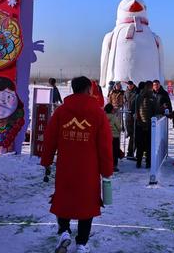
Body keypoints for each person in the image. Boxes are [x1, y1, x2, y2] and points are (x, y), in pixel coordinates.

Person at [40, 76, 113, 253]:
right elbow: (104, 144)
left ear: (72, 89)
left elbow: (49, 139)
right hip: (89, 168)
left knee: (63, 198)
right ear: (89, 89)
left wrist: (47, 161)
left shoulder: (61, 112)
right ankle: (81, 243)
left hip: (66, 166)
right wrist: (107, 170)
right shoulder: (98, 113)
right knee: (87, 204)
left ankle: (64, 231)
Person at [132, 81, 157, 168]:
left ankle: (138, 162)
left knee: (140, 144)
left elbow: (135, 109)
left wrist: (139, 120)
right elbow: (155, 111)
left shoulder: (138, 97)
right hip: (150, 125)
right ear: (150, 87)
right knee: (149, 145)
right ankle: (148, 162)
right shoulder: (153, 98)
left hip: (139, 124)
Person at [104, 103, 121, 172]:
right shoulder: (114, 117)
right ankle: (114, 166)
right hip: (114, 137)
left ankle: (106, 165)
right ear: (112, 110)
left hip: (105, 137)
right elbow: (119, 127)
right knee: (115, 152)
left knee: (107, 152)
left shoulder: (103, 117)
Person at [124, 81, 138, 159]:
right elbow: (124, 100)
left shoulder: (136, 92)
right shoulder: (126, 91)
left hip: (134, 114)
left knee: (134, 135)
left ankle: (131, 152)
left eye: (131, 85)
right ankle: (130, 152)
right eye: (129, 85)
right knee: (130, 134)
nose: (130, 86)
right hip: (127, 114)